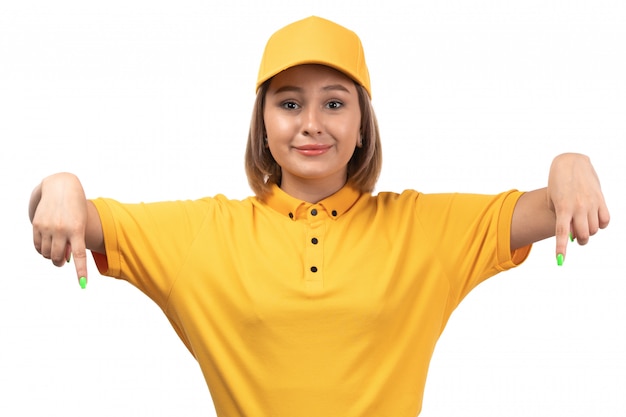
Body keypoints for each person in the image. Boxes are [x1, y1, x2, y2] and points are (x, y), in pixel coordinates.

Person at [29, 15, 609, 417]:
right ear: (262, 123)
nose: (311, 122)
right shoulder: (201, 235)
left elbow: (552, 205)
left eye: (335, 102)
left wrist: (571, 163)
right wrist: (58, 186)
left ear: (361, 127)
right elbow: (70, 216)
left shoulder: (426, 229)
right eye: (288, 103)